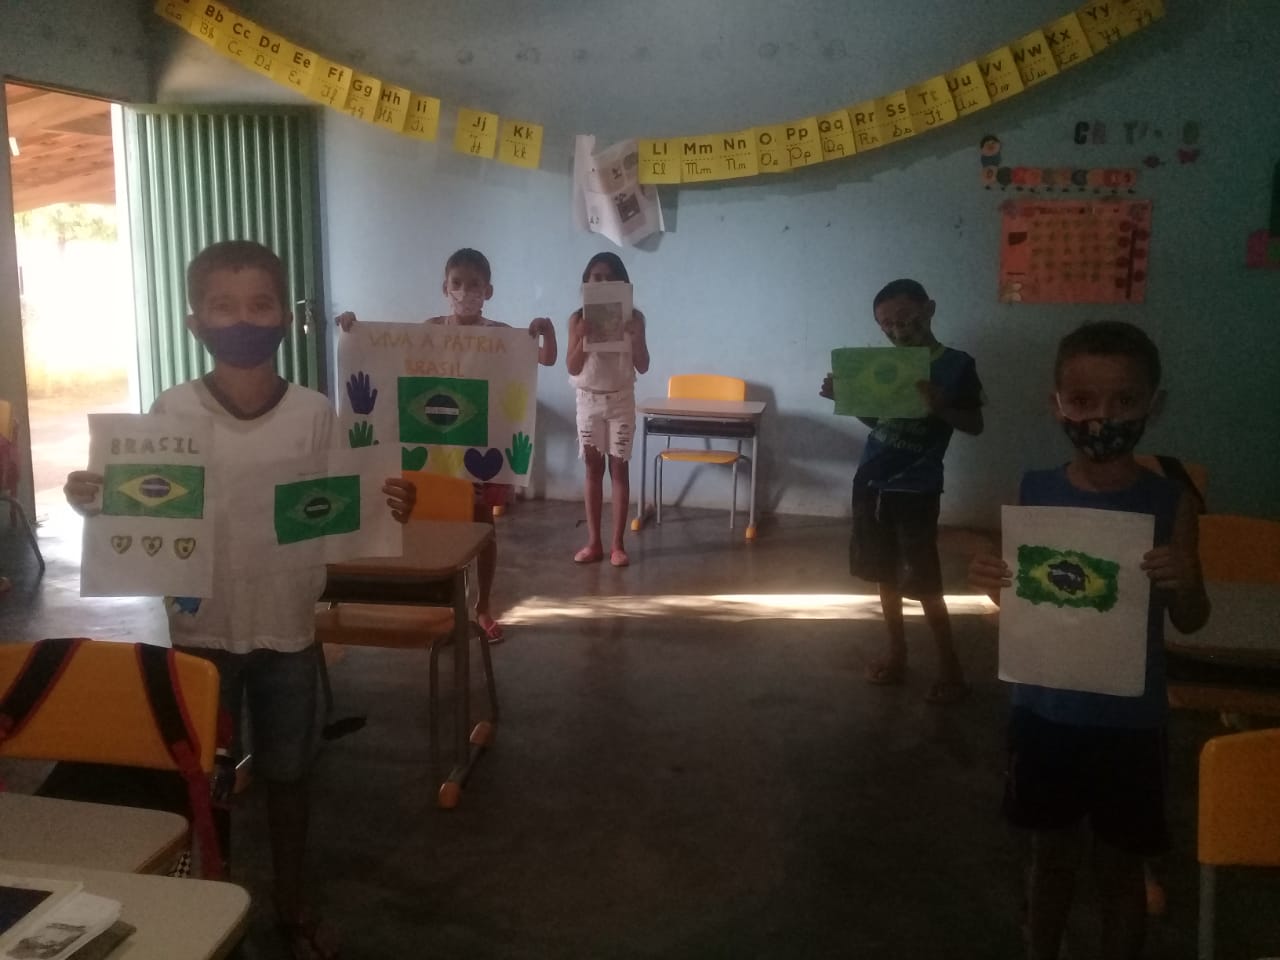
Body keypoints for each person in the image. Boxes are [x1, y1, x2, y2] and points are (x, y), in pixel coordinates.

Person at [66, 240, 415, 960]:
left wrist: (390, 504)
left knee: (290, 775)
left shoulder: (313, 412)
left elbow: (340, 511)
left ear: (284, 317)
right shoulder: (172, 409)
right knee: (206, 780)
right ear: (195, 321)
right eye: (223, 306)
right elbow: (147, 507)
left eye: (260, 304)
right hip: (202, 633)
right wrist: (93, 498)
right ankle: (209, 905)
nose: (243, 320)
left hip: (289, 631)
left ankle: (292, 907)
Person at [968, 320, 1210, 960]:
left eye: (1124, 400)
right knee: (1049, 858)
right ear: (1057, 405)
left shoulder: (1171, 501)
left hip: (1131, 724)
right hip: (1044, 713)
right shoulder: (1031, 492)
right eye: (1082, 400)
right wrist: (993, 582)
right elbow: (1021, 601)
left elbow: (1192, 620)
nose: (1102, 417)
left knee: (1120, 870)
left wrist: (1186, 580)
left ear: (1154, 405)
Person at [335, 247, 557, 641]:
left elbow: (546, 359)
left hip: (479, 451)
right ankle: (438, 603)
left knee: (482, 527)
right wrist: (354, 331)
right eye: (458, 283)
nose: (465, 291)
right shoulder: (428, 331)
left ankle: (483, 606)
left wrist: (547, 333)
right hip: (436, 449)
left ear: (488, 291)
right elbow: (385, 356)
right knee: (432, 524)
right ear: (445, 287)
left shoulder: (501, 336)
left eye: (474, 284)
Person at [819, 278, 983, 704]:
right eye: (886, 324)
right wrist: (847, 398)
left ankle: (951, 669)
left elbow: (974, 424)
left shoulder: (957, 365)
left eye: (904, 318)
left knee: (925, 579)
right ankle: (897, 654)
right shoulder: (883, 366)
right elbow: (881, 423)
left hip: (917, 487)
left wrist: (941, 406)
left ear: (929, 309)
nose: (896, 329)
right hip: (871, 481)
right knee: (883, 573)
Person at [565, 252, 650, 567]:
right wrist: (580, 339)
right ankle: (594, 542)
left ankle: (617, 544)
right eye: (596, 277)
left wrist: (636, 338)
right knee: (592, 467)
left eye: (610, 277)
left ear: (623, 284)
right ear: (586, 282)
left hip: (621, 400)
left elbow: (643, 364)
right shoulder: (577, 319)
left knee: (619, 468)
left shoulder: (634, 318)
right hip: (588, 400)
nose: (602, 282)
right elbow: (572, 366)